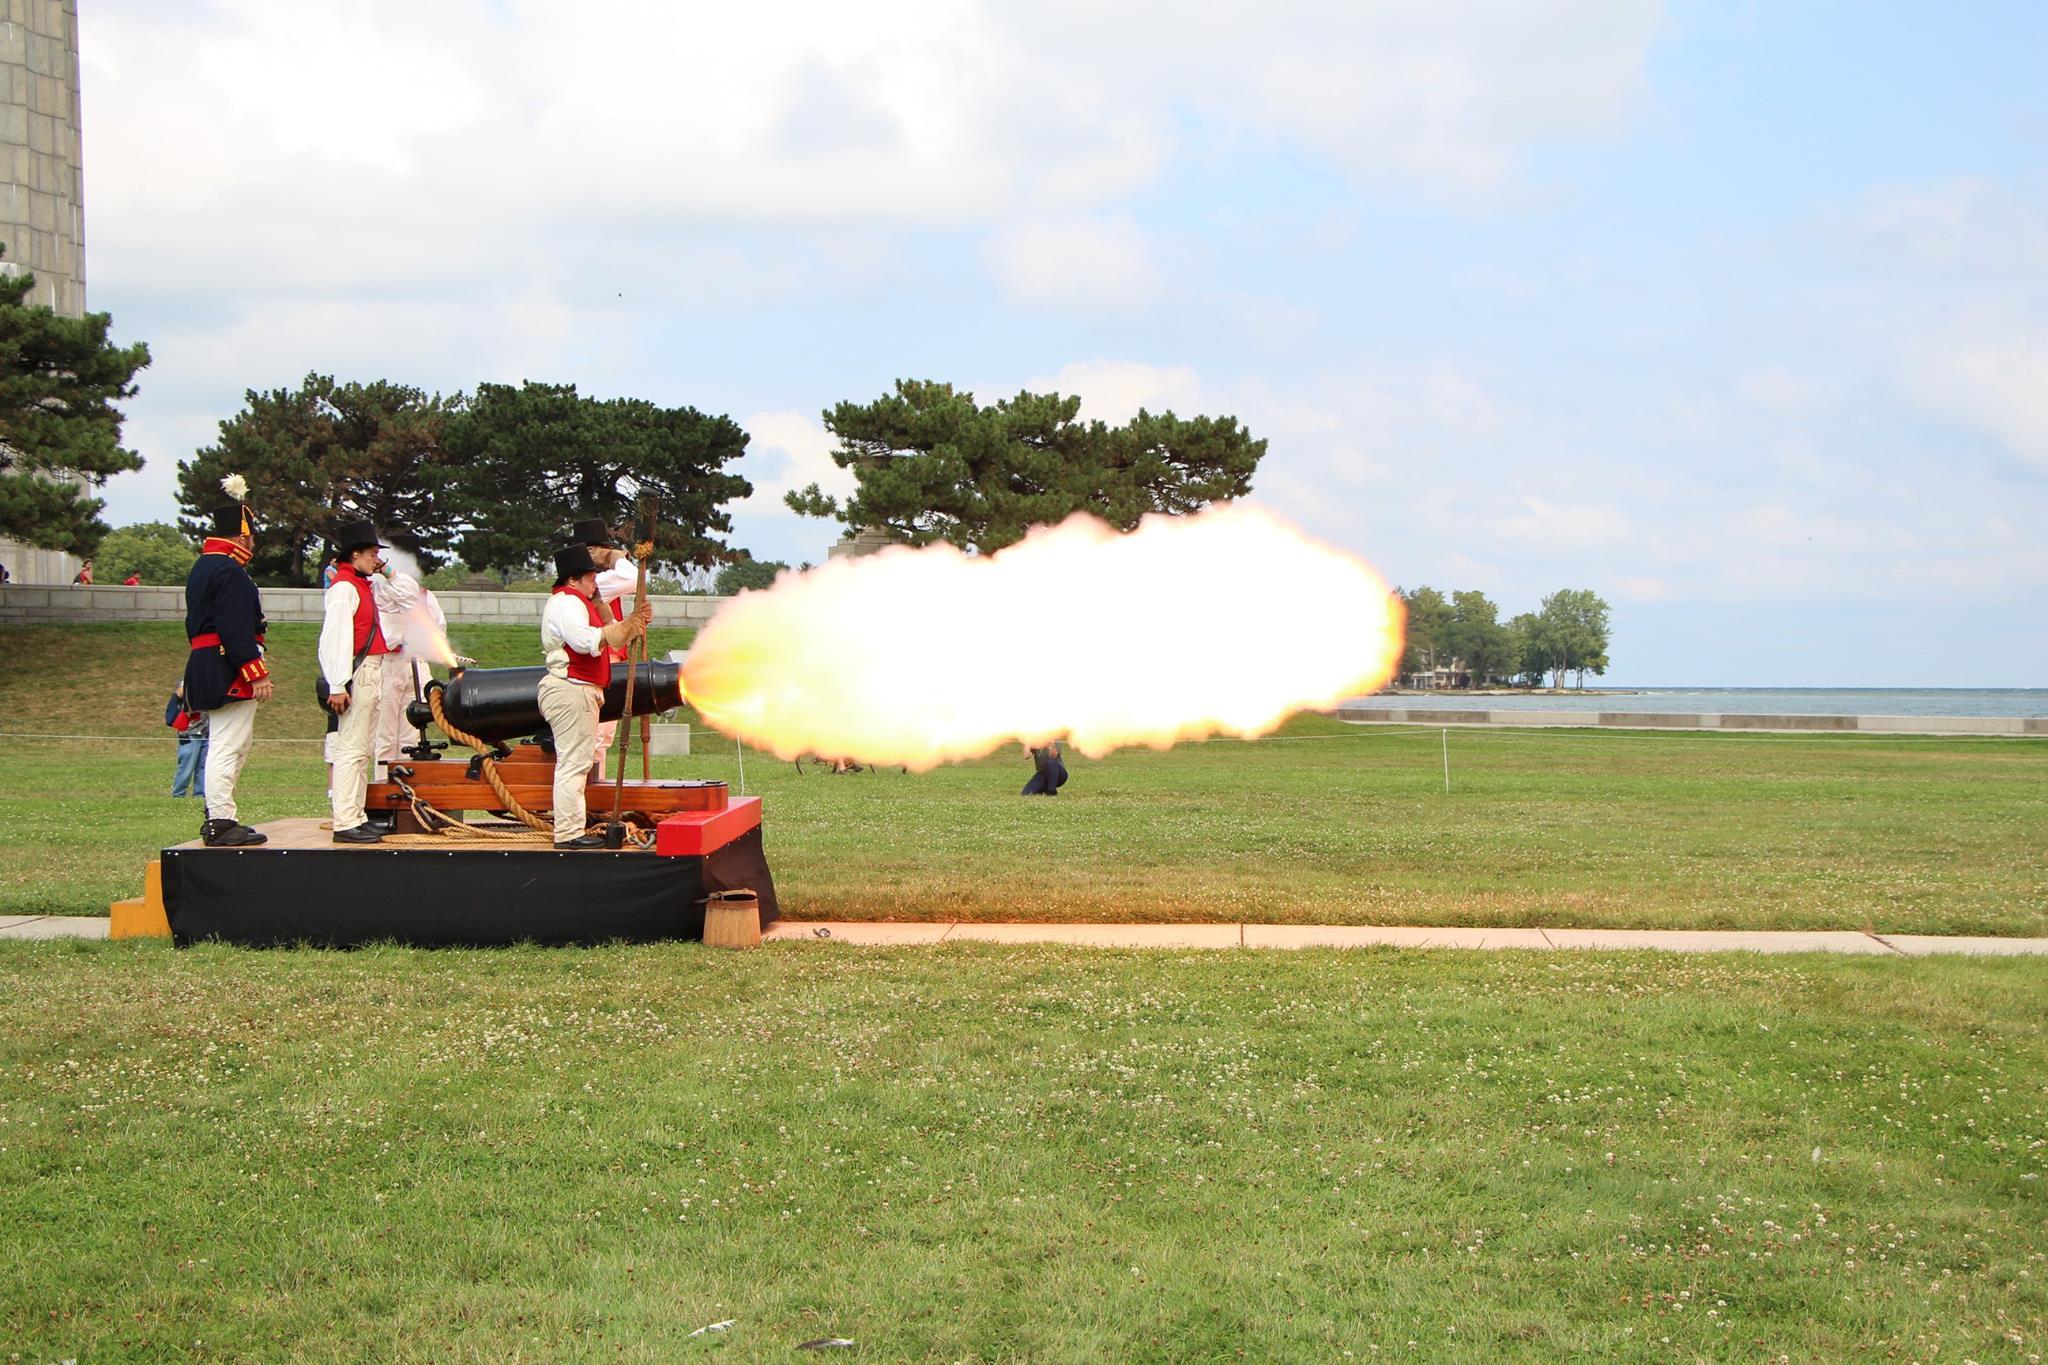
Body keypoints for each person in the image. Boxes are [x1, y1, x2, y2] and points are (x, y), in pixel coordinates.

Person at [540, 543, 651, 848]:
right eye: (590, 578)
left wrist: (633, 624)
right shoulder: (567, 603)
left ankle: (573, 828)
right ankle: (568, 833)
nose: (595, 582)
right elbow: (584, 641)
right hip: (570, 688)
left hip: (579, 688)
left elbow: (606, 631)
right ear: (573, 580)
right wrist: (627, 626)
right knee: (574, 764)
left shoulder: (578, 601)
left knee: (578, 762)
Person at [183, 478, 272, 845]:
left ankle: (222, 814)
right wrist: (256, 672)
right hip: (226, 664)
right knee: (228, 744)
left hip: (208, 661)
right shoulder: (230, 572)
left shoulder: (204, 567)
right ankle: (220, 819)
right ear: (240, 537)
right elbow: (236, 628)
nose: (253, 544)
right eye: (250, 537)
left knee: (229, 742)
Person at [319, 521, 397, 844]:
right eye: (372, 554)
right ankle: (345, 819)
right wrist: (338, 684)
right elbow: (335, 639)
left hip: (371, 669)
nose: (376, 560)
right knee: (351, 748)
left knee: (362, 747)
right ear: (355, 554)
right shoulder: (344, 589)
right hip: (358, 672)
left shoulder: (359, 585)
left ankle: (356, 814)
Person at [372, 530, 447, 771]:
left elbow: (438, 629)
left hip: (417, 662)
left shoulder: (425, 595)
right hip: (389, 661)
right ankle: (384, 786)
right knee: (384, 734)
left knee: (413, 734)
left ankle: (409, 786)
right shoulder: (378, 593)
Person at [570, 516, 639, 780]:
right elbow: (633, 578)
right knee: (597, 735)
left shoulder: (596, 582)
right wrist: (614, 557)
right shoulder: (596, 583)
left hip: (609, 661)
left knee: (602, 736)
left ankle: (595, 787)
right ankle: (592, 789)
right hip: (600, 662)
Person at [165, 681, 208, 798]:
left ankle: (200, 795)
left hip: (207, 733)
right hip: (189, 734)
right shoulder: (186, 682)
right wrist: (179, 695)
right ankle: (178, 794)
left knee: (204, 767)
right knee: (186, 767)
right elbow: (170, 717)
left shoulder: (211, 682)